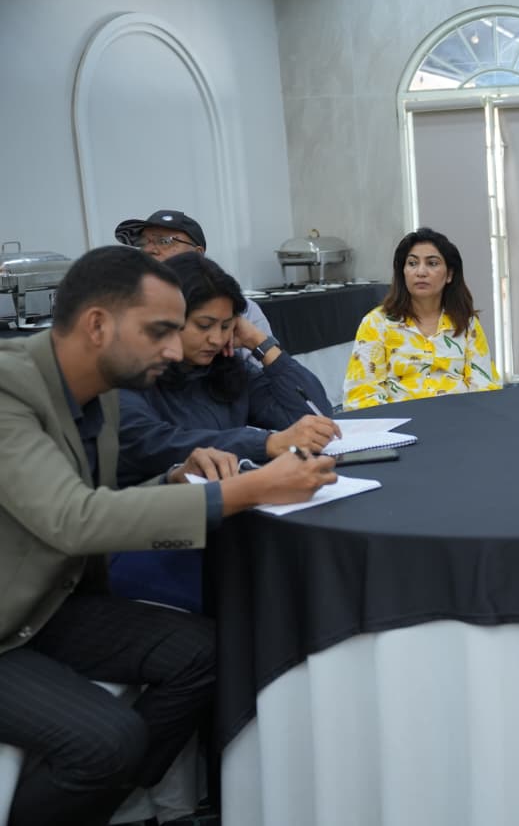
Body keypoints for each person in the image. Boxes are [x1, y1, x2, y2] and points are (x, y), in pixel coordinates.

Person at [0, 245, 335, 826]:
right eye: (161, 331)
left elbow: (100, 498)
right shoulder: (9, 390)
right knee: (108, 740)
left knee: (211, 652)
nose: (177, 349)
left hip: (49, 606)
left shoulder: (101, 390)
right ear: (98, 325)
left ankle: (111, 798)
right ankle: (108, 781)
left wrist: (174, 479)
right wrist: (244, 491)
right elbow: (74, 518)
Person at [113, 252, 339, 611]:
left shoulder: (226, 368)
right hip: (155, 536)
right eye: (204, 325)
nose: (216, 339)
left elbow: (312, 413)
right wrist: (267, 443)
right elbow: (154, 443)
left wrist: (261, 343)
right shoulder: (128, 374)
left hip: (231, 525)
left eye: (226, 325)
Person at [344, 227, 500, 408]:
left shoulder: (466, 322)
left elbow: (484, 385)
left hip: (458, 418)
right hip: (400, 421)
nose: (421, 272)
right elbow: (361, 394)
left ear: (449, 275)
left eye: (432, 263)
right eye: (412, 263)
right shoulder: (376, 323)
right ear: (403, 272)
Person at [115, 208, 273, 340]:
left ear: (197, 254)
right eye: (143, 243)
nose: (149, 250)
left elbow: (267, 366)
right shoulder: (128, 306)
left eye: (164, 241)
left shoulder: (238, 310)